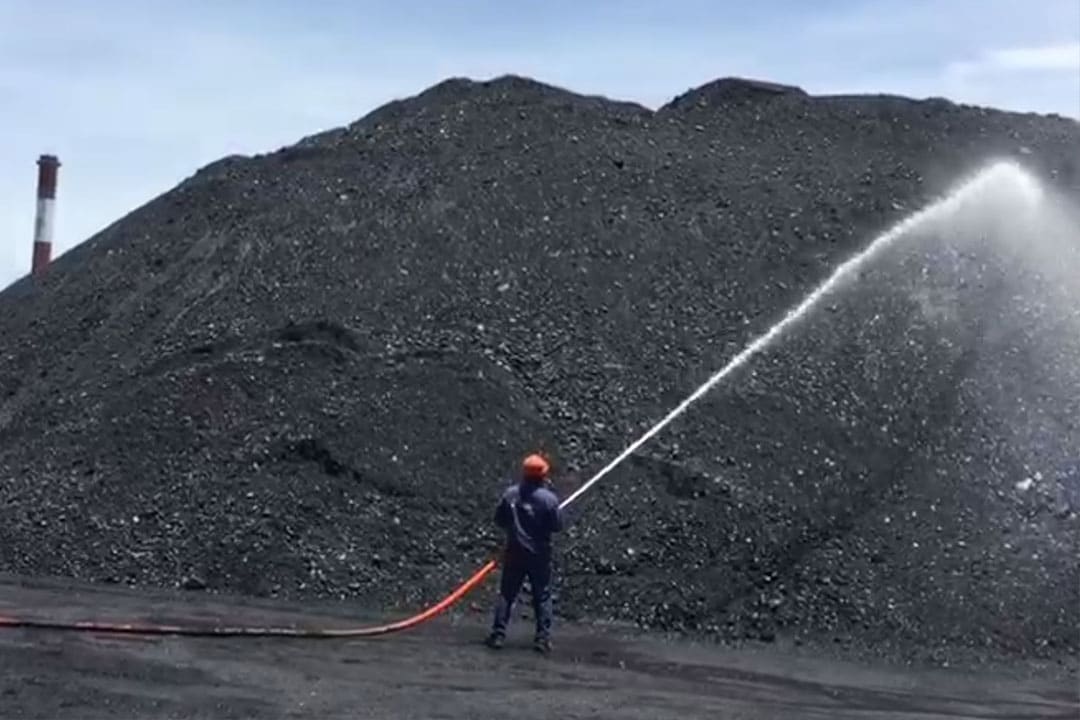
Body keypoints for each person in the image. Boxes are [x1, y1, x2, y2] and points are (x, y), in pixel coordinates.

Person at [484, 453, 564, 654]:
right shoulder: (549, 500)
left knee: (507, 594)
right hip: (539, 555)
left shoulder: (510, 495)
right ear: (543, 476)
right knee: (542, 596)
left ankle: (498, 634)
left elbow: (500, 520)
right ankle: (542, 639)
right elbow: (556, 526)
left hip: (514, 552)